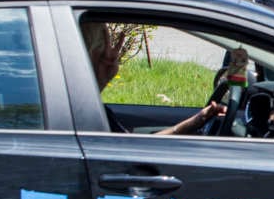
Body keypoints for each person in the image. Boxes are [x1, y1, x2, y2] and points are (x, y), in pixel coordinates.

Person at [82, 21, 225, 134]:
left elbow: (132, 148)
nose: (108, 55)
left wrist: (198, 120)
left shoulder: (84, 112)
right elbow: (133, 153)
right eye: (100, 49)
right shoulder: (85, 119)